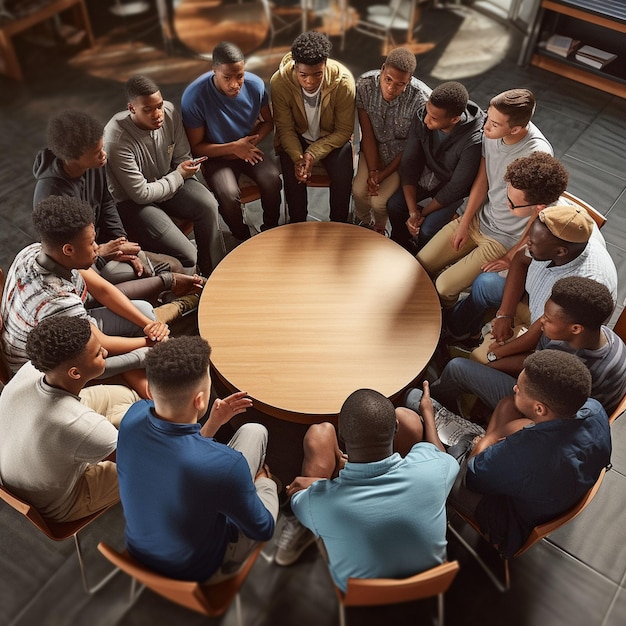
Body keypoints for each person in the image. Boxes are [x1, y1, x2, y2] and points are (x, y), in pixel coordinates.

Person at [116, 336, 279, 582]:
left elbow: (178, 457)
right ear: (200, 400)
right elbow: (262, 529)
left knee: (251, 432)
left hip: (140, 551)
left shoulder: (132, 417)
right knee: (256, 434)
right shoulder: (226, 465)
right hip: (196, 568)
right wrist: (265, 483)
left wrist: (212, 424)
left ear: (150, 389)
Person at [274, 385, 458, 593]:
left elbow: (297, 492)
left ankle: (305, 532)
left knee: (320, 433)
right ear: (395, 428)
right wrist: (428, 414)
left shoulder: (319, 503)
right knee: (410, 417)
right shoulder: (432, 471)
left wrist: (315, 485)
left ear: (342, 435)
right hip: (430, 581)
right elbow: (441, 455)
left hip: (361, 592)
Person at [428, 350, 611, 559]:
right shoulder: (595, 410)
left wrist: (489, 438)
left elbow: (472, 478)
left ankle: (452, 434)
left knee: (434, 435)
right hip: (550, 490)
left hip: (506, 517)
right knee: (507, 406)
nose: (515, 387)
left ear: (540, 409)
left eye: (520, 389)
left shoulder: (529, 454)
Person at [33, 110, 204, 307]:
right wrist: (104, 251)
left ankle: (164, 299)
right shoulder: (51, 196)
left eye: (102, 147)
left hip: (102, 245)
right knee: (159, 270)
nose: (104, 155)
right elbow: (70, 258)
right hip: (85, 265)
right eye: (97, 153)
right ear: (74, 158)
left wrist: (121, 241)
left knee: (174, 265)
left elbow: (106, 202)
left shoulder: (94, 164)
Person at [0, 195, 168, 380]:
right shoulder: (57, 301)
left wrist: (149, 325)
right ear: (68, 250)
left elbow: (103, 290)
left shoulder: (32, 251)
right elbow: (101, 342)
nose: (97, 248)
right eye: (91, 243)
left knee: (144, 311)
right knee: (105, 361)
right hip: (41, 370)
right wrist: (149, 343)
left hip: (68, 327)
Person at [417, 88, 552, 307]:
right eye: (488, 117)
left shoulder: (538, 156)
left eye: (495, 124)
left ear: (516, 128)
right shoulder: (491, 133)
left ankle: (447, 322)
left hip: (503, 238)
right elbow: (483, 179)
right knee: (419, 264)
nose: (486, 126)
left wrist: (512, 256)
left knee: (443, 287)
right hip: (479, 220)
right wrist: (464, 222)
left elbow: (539, 213)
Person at [0, 316, 139, 521]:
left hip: (23, 469)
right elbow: (134, 462)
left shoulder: (33, 368)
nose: (106, 352)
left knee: (125, 396)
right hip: (60, 503)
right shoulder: (75, 422)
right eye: (98, 354)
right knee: (147, 467)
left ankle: (120, 430)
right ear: (75, 373)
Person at [431, 277, 626, 417]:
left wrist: (489, 366)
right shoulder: (602, 335)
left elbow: (531, 373)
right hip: (550, 393)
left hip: (548, 414)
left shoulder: (573, 365)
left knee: (457, 368)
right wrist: (494, 360)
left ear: (575, 328)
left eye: (548, 320)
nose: (542, 322)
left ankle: (433, 404)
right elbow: (535, 356)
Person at [104, 75, 225, 277]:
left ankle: (214, 271)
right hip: (134, 204)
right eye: (148, 109)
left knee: (208, 204)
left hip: (169, 182)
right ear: (132, 108)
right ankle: (186, 283)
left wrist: (179, 174)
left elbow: (182, 157)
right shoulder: (116, 139)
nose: (157, 114)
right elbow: (140, 194)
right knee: (188, 254)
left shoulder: (169, 112)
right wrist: (178, 175)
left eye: (158, 105)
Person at [443, 152, 570, 341]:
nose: (506, 204)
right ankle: (461, 327)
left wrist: (505, 314)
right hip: (536, 274)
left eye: (512, 204)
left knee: (484, 284)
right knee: (484, 284)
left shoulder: (549, 233)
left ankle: (459, 330)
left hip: (549, 297)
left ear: (539, 207)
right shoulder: (543, 212)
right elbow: (523, 256)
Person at [471, 204, 617, 364]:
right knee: (485, 284)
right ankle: (465, 333)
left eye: (532, 243)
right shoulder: (555, 236)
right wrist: (505, 314)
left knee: (481, 360)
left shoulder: (582, 286)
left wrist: (498, 354)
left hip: (553, 333)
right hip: (534, 304)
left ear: (560, 252)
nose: (527, 244)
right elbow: (520, 258)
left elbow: (544, 328)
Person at [182, 41, 282, 240]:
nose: (235, 84)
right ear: (214, 71)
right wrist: (234, 148)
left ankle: (270, 229)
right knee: (228, 195)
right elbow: (197, 147)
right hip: (215, 155)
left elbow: (268, 122)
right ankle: (242, 237)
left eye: (240, 76)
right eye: (227, 77)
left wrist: (249, 143)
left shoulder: (255, 85)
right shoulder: (194, 97)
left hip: (246, 147)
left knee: (272, 179)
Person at [387, 81, 484, 251]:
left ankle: (420, 258)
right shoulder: (423, 116)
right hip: (427, 175)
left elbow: (456, 188)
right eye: (427, 112)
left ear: (455, 119)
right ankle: (401, 244)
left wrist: (422, 215)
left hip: (453, 188)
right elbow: (409, 164)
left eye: (433, 118)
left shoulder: (473, 141)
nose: (425, 120)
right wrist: (413, 213)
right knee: (394, 205)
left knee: (428, 229)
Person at [270, 31, 355, 223]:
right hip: (296, 137)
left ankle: (339, 224)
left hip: (331, 138)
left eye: (317, 74)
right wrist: (299, 158)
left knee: (344, 168)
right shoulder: (279, 82)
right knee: (292, 170)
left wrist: (312, 154)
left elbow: (343, 131)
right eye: (303, 75)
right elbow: (285, 128)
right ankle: (298, 223)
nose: (310, 82)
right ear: (295, 67)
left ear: (325, 64)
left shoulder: (343, 83)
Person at [351, 47, 431, 235]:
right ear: (382, 70)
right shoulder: (364, 86)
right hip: (372, 150)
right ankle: (362, 221)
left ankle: (379, 227)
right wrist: (372, 171)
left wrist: (383, 174)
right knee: (358, 191)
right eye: (388, 79)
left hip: (400, 159)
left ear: (409, 81)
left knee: (380, 201)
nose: (391, 88)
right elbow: (368, 134)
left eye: (399, 84)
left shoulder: (420, 101)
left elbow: (411, 146)